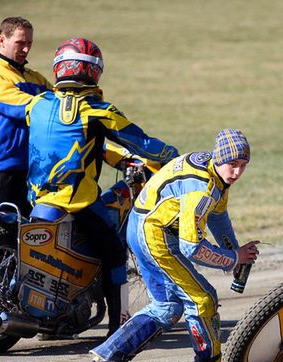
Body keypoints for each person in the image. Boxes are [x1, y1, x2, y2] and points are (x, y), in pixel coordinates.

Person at [25, 38, 179, 337]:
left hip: (37, 196)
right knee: (113, 250)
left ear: (59, 67)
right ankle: (119, 325)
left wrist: (115, 158)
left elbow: (72, 143)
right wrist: (175, 157)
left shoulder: (37, 103)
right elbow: (142, 143)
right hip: (75, 201)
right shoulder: (98, 110)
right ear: (93, 71)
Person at [88, 129, 260, 362]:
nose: (237, 172)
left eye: (243, 166)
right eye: (232, 164)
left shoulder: (214, 172)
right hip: (155, 234)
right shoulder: (202, 190)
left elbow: (218, 216)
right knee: (202, 298)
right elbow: (193, 248)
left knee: (168, 306)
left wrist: (235, 251)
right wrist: (233, 258)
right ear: (220, 158)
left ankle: (108, 357)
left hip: (145, 225)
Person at [0, 17, 52, 231]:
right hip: (3, 168)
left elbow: (61, 105)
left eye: (29, 43)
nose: (26, 49)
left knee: (29, 234)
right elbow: (26, 106)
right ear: (2, 39)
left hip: (34, 168)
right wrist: (55, 105)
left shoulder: (34, 77)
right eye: (20, 43)